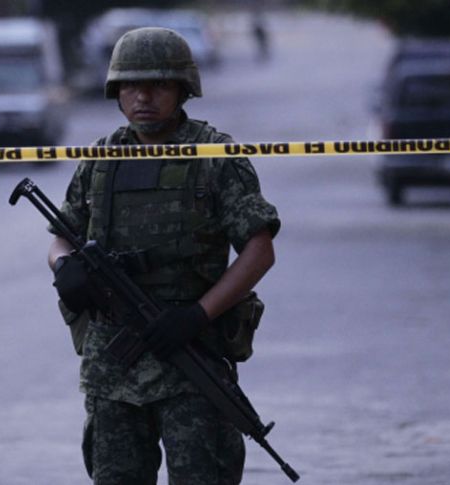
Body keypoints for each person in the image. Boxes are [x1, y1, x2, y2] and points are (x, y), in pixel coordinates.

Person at [47, 27, 280, 485]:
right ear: (116, 92)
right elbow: (60, 236)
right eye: (131, 86)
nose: (143, 97)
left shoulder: (215, 156)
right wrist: (64, 267)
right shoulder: (100, 160)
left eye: (157, 84)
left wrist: (197, 314)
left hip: (188, 357)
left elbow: (260, 250)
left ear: (182, 88)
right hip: (114, 366)